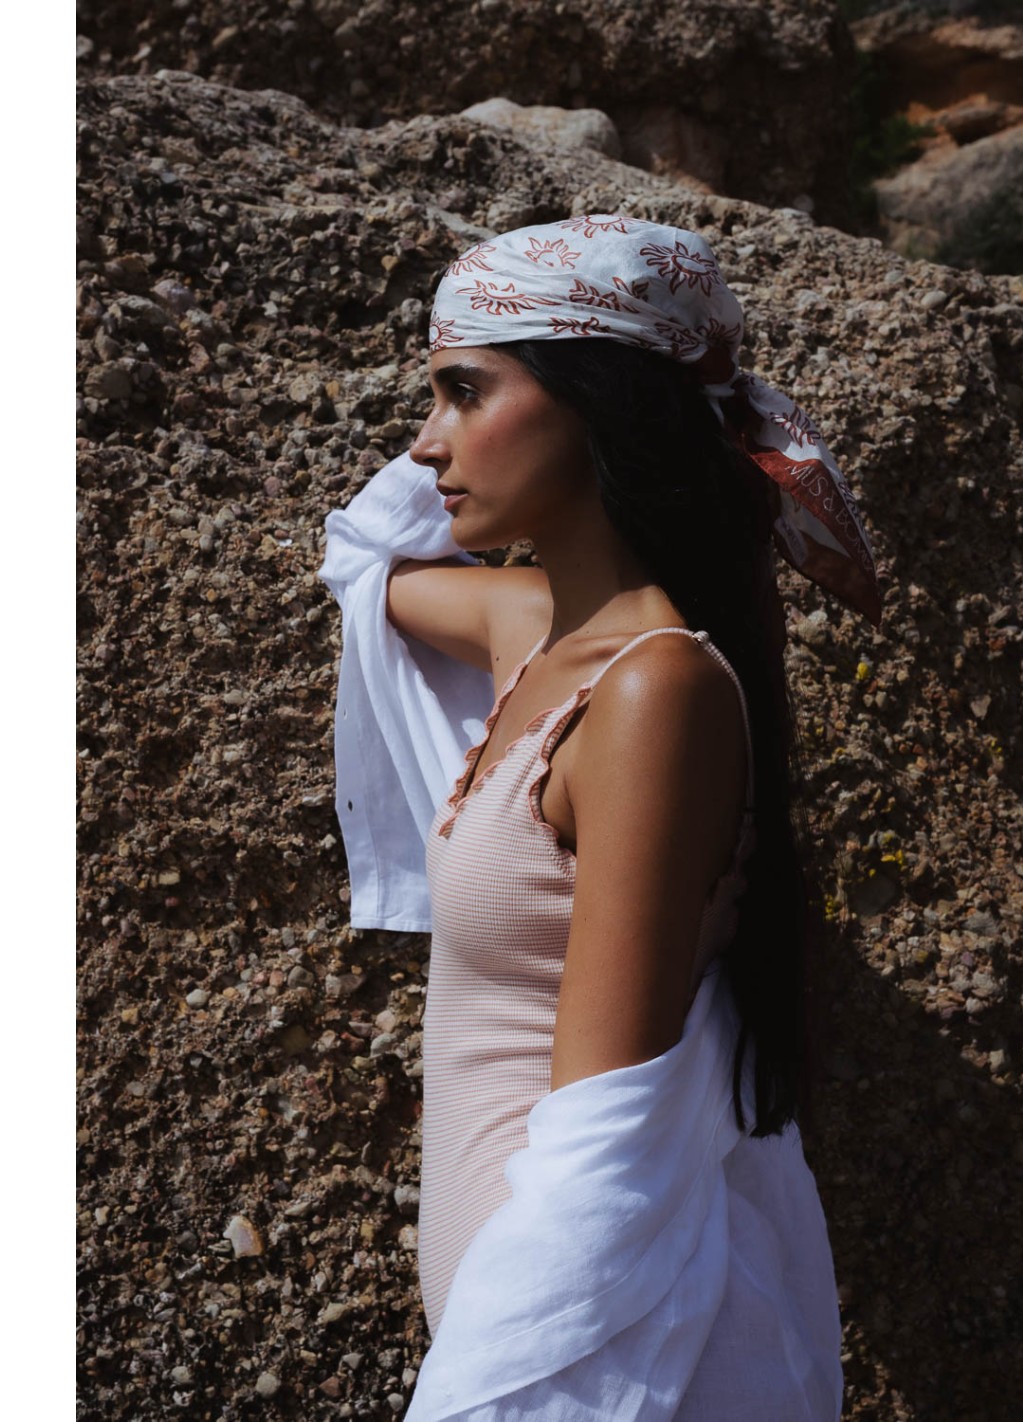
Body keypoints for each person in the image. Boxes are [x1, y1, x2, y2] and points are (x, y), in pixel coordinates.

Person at [320, 216, 881, 1420]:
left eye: (464, 391)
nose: (424, 444)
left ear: (594, 402)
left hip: (603, 1362)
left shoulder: (649, 691)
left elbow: (601, 1135)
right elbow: (365, 566)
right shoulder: (543, 640)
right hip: (561, 1344)